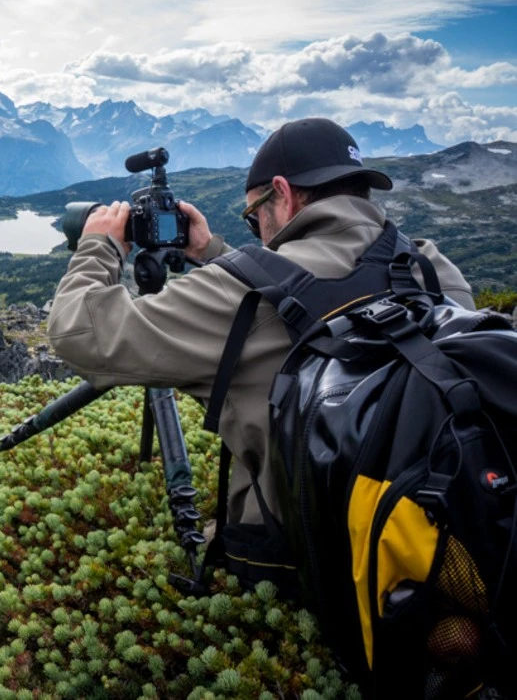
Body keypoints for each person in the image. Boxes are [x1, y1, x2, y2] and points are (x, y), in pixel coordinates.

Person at [47, 117, 475, 529]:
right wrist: (212, 253)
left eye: (254, 217)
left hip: (302, 555)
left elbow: (77, 331)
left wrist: (99, 246)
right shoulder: (433, 269)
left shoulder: (237, 299)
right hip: (447, 524)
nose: (259, 233)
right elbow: (303, 292)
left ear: (283, 194)